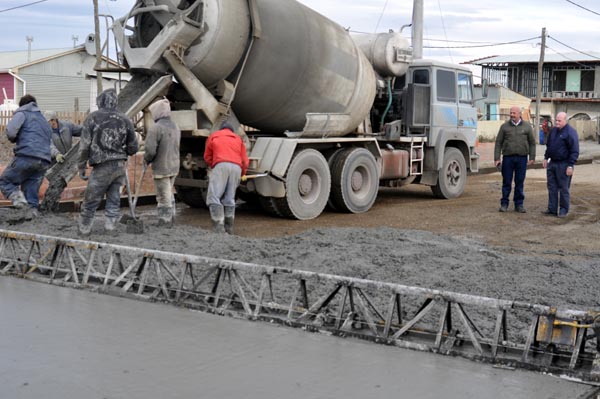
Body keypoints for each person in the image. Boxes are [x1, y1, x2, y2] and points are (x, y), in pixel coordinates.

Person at [77, 88, 138, 236]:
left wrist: (81, 166)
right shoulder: (125, 119)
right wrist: (124, 152)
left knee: (91, 198)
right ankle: (110, 227)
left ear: (100, 101)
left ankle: (84, 228)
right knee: (114, 196)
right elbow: (133, 147)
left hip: (102, 164)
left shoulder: (93, 118)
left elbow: (84, 145)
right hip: (119, 165)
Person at [0, 94, 54, 216]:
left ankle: (20, 203)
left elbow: (11, 132)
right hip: (44, 160)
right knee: (31, 190)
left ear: (22, 105)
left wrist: (15, 139)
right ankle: (32, 216)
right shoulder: (43, 120)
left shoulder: (22, 113)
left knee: (5, 182)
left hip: (26, 156)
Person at [203, 121, 249, 234]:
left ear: (221, 129)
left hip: (221, 165)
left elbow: (207, 156)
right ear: (231, 131)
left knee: (213, 196)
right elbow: (244, 160)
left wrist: (213, 165)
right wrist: (243, 173)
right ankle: (229, 228)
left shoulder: (214, 136)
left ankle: (218, 227)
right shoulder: (238, 139)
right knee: (229, 198)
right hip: (236, 168)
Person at [143, 98, 181, 227]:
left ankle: (165, 222)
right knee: (169, 193)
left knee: (163, 196)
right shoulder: (176, 126)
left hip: (162, 167)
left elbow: (150, 150)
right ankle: (172, 219)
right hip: (174, 165)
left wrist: (147, 160)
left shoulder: (156, 128)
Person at [494, 106, 536, 213]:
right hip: (508, 158)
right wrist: (497, 158)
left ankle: (519, 205)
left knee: (519, 182)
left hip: (522, 159)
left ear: (519, 114)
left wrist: (532, 157)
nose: (512, 115)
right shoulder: (504, 127)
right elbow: (498, 142)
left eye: (514, 113)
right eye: (510, 113)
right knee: (506, 182)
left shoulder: (527, 126)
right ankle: (504, 204)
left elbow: (532, 143)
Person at [542, 112, 579, 218]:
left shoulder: (570, 132)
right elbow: (549, 146)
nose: (557, 122)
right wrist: (546, 157)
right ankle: (552, 209)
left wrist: (570, 165)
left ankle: (563, 209)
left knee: (563, 188)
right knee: (552, 187)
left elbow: (574, 150)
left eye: (559, 121)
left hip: (564, 164)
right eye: (556, 120)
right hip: (552, 163)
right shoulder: (553, 131)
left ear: (565, 120)